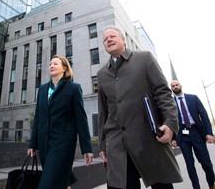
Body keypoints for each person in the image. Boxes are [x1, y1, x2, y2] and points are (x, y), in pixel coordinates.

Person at [97, 25, 183, 189]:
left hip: (149, 137)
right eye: (105, 39)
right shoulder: (102, 74)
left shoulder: (145, 58)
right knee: (121, 185)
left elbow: (163, 93)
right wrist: (102, 145)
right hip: (116, 143)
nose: (108, 40)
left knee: (161, 184)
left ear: (123, 39)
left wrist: (171, 123)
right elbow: (103, 112)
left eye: (112, 36)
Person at [28, 55, 94, 189]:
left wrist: (86, 147)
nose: (51, 66)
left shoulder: (73, 88)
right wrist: (33, 143)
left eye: (55, 64)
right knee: (61, 182)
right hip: (44, 142)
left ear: (64, 68)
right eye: (50, 64)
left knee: (48, 183)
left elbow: (80, 118)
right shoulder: (42, 89)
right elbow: (38, 118)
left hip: (63, 143)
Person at [170, 80, 215, 189]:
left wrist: (209, 133)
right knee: (190, 165)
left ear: (181, 85)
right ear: (171, 89)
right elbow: (170, 120)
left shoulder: (193, 98)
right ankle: (196, 187)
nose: (175, 87)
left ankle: (211, 184)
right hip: (182, 136)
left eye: (176, 85)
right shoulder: (170, 103)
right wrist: (173, 138)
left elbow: (204, 115)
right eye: (172, 86)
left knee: (206, 162)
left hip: (196, 132)